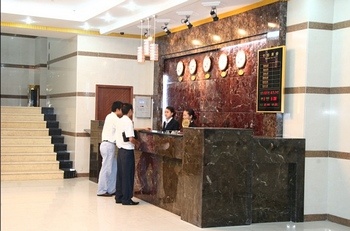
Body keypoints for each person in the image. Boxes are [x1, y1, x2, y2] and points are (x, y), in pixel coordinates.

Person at [115, 103, 140, 205]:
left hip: (120, 151)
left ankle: (119, 197)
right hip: (127, 151)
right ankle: (126, 199)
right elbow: (130, 138)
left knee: (120, 175)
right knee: (128, 175)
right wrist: (137, 144)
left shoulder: (119, 121)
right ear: (130, 111)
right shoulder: (129, 122)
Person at [97, 101, 123, 196]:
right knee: (106, 169)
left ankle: (111, 189)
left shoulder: (109, 117)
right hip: (108, 145)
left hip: (108, 145)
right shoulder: (114, 118)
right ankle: (101, 190)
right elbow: (123, 128)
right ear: (117, 109)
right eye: (122, 109)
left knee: (113, 168)